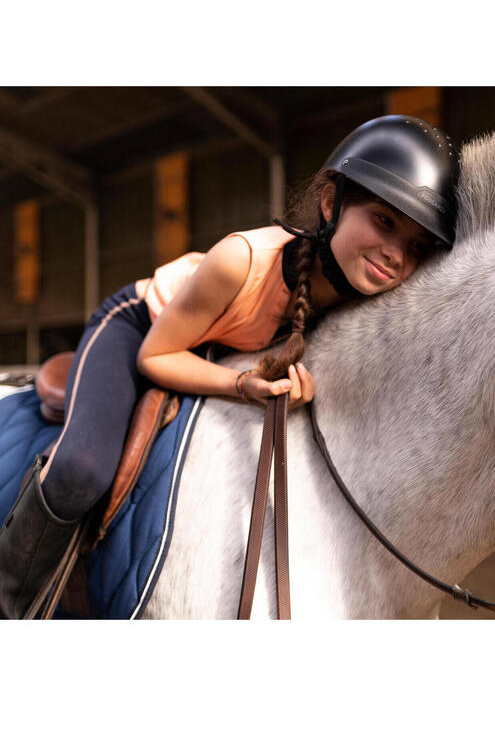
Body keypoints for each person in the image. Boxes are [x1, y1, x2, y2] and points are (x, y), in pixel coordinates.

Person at [0, 114, 459, 619]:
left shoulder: (365, 302)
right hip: (142, 328)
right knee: (81, 468)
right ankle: (11, 597)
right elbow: (154, 358)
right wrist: (243, 384)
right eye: (384, 221)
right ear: (332, 202)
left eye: (416, 247)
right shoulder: (240, 259)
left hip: (208, 347)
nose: (395, 254)